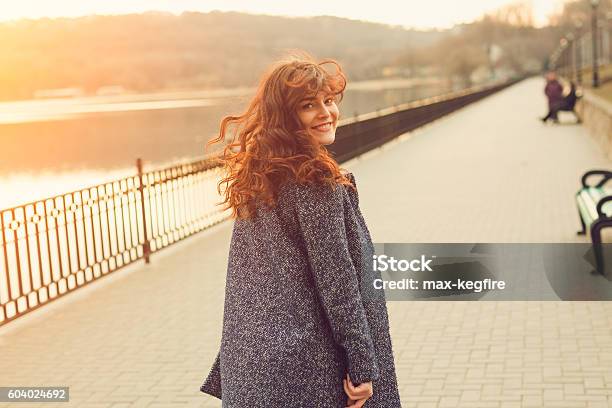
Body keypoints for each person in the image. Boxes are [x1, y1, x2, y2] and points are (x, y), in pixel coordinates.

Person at [198, 52, 402, 407]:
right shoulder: (314, 182)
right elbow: (338, 281)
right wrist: (362, 366)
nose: (326, 113)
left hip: (260, 364)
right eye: (309, 105)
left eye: (328, 101)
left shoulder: (261, 177)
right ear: (285, 118)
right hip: (308, 367)